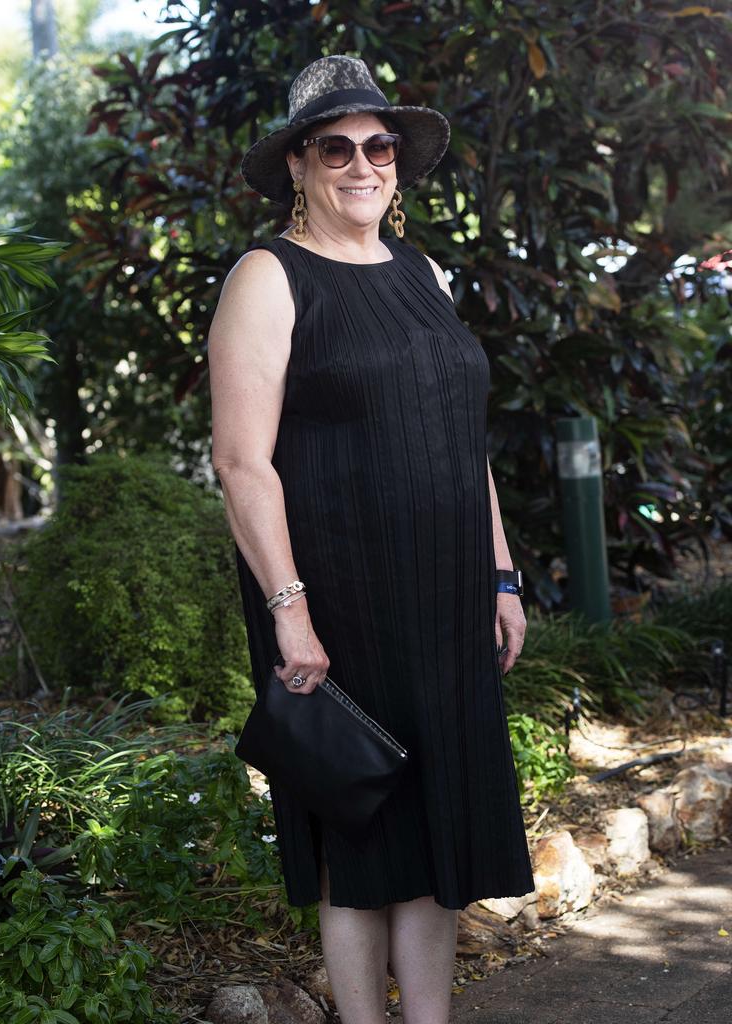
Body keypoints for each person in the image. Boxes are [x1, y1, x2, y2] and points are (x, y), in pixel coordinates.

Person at [208, 54, 535, 1024]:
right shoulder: (267, 277)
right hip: (334, 601)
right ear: (299, 166)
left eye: (378, 144)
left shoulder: (422, 270)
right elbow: (241, 464)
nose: (363, 162)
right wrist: (288, 611)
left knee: (435, 836)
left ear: (398, 161)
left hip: (441, 596)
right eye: (337, 146)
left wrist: (501, 573)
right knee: (362, 836)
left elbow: (455, 437)